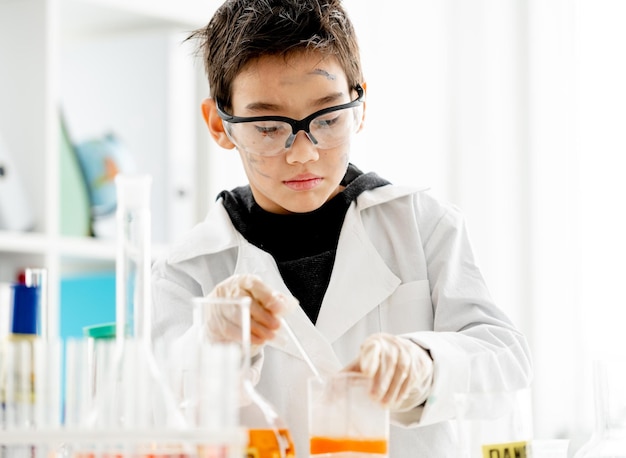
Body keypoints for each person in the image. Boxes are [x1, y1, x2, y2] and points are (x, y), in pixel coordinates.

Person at [150, 0, 533, 456]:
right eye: (269, 127)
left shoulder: (423, 225)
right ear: (220, 124)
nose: (303, 153)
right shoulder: (187, 270)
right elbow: (157, 412)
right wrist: (211, 340)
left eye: (328, 119)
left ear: (360, 107)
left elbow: (506, 360)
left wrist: (424, 364)